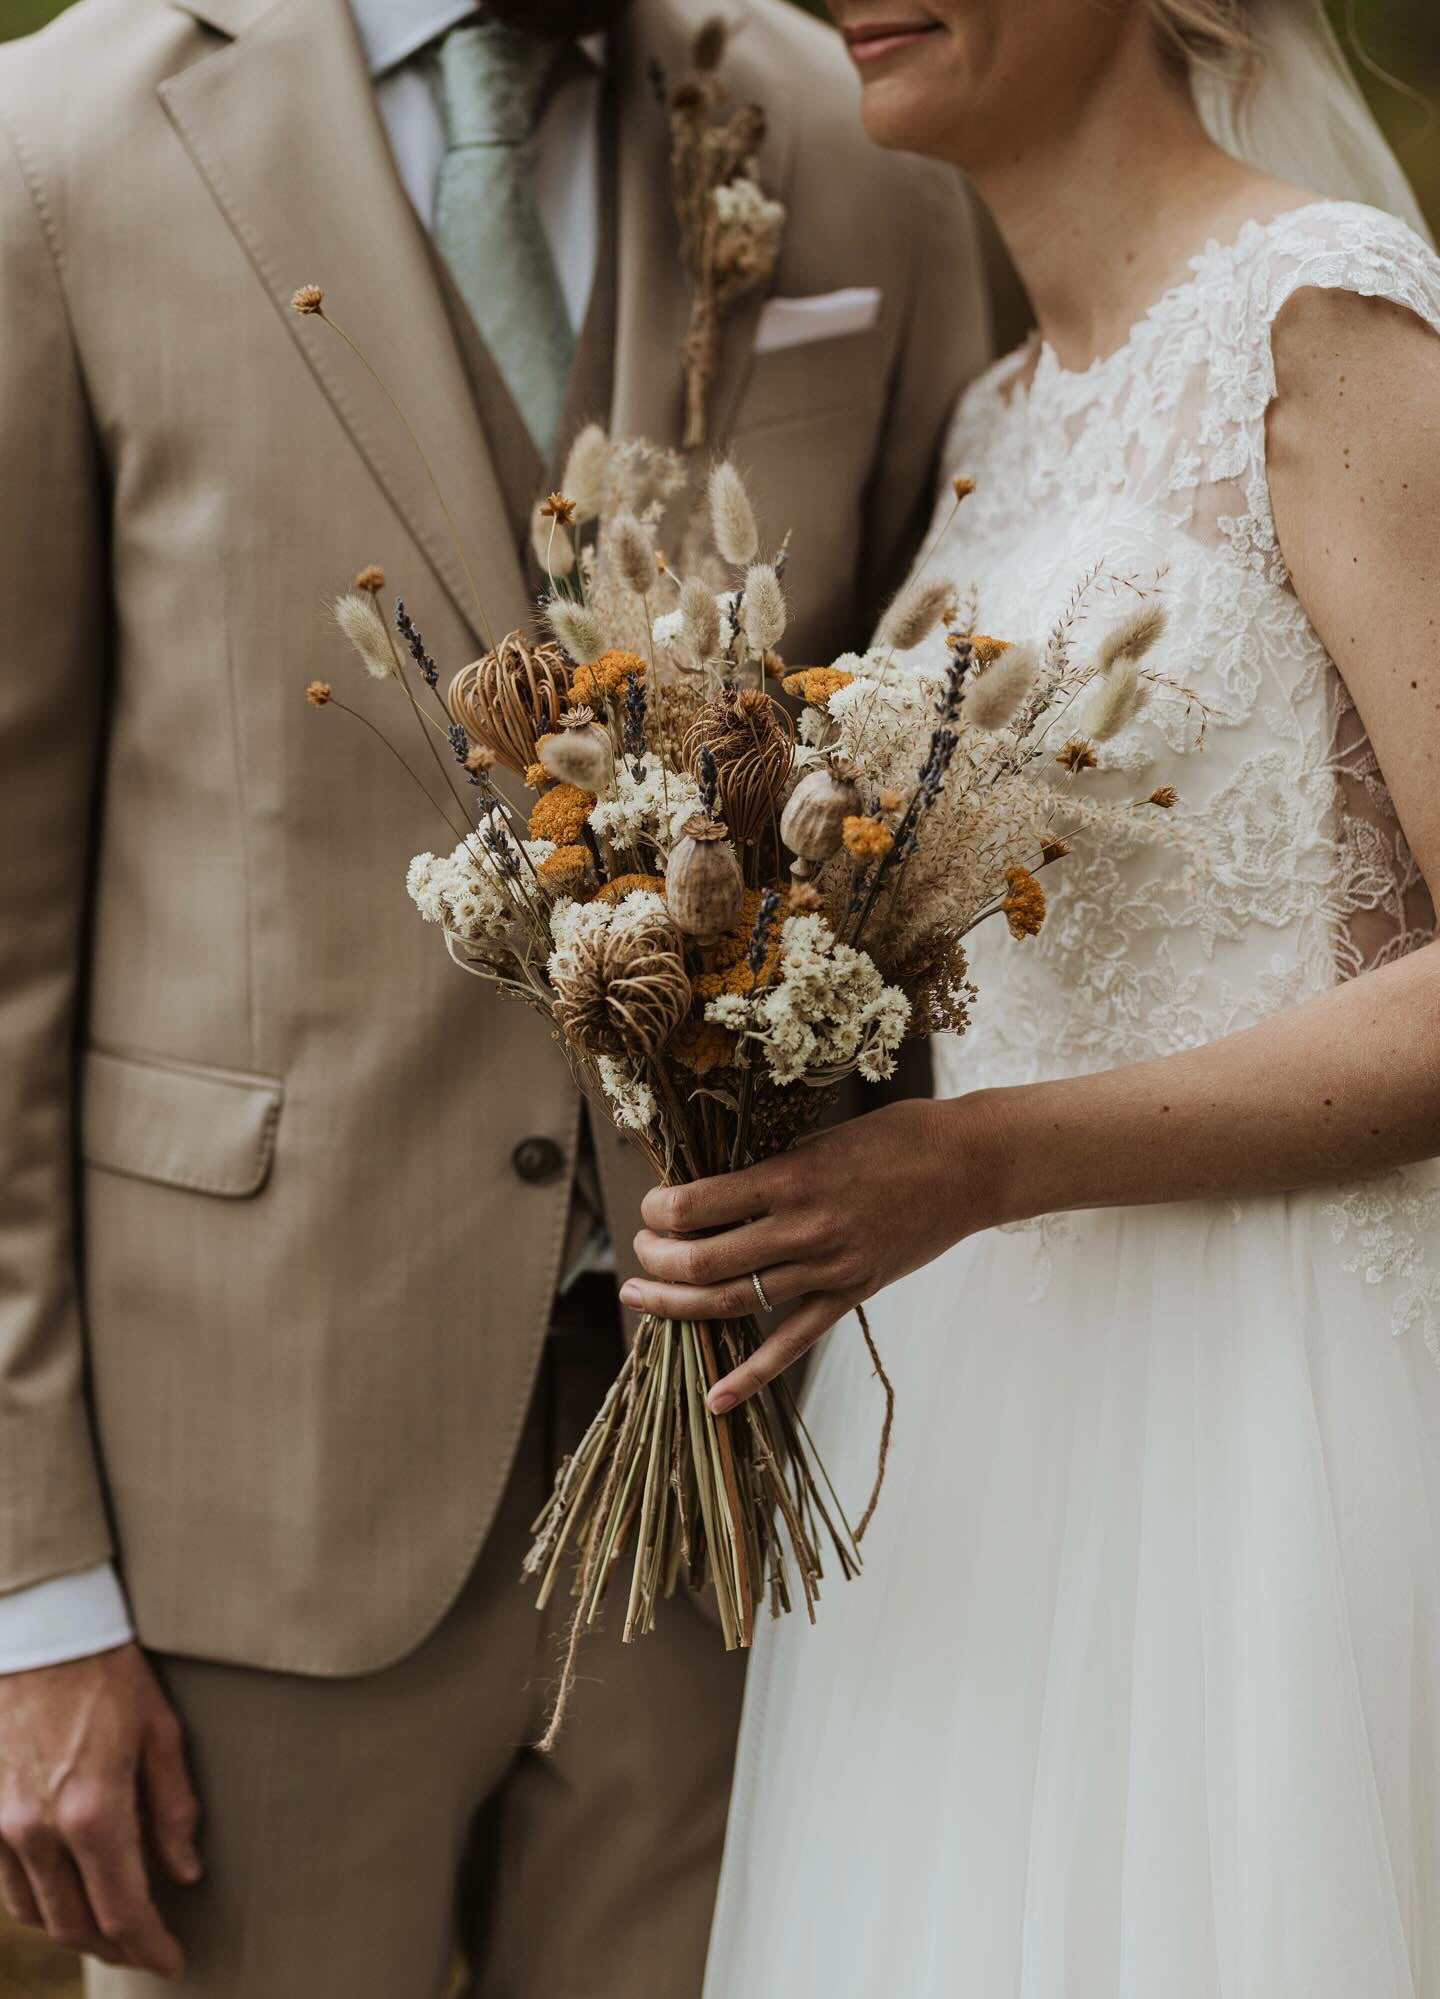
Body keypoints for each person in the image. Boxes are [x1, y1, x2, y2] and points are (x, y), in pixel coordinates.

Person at [0, 0, 993, 1990]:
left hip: (740, 1506)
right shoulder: (58, 150)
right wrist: (32, 1592)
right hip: (246, 1516)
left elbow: (945, 770)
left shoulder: (855, 125)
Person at [619, 2, 1440, 1991]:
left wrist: (980, 1162)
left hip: (1271, 1432)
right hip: (971, 1436)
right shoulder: (997, 415)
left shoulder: (1330, 325)